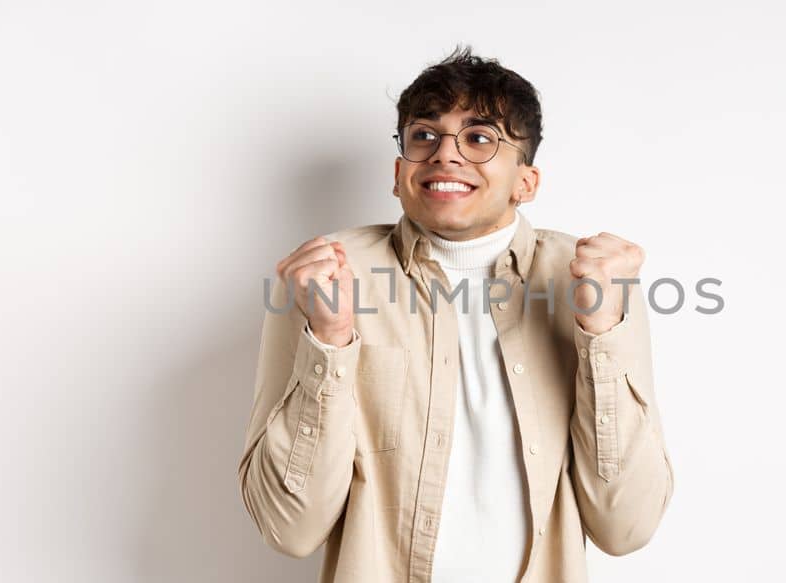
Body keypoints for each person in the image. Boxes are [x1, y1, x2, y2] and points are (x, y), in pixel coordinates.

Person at [238, 46, 674, 583]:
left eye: (479, 137)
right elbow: (289, 530)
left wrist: (602, 333)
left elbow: (625, 528)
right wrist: (328, 340)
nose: (445, 154)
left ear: (526, 182)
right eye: (425, 135)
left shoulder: (593, 282)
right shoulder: (322, 280)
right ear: (399, 173)